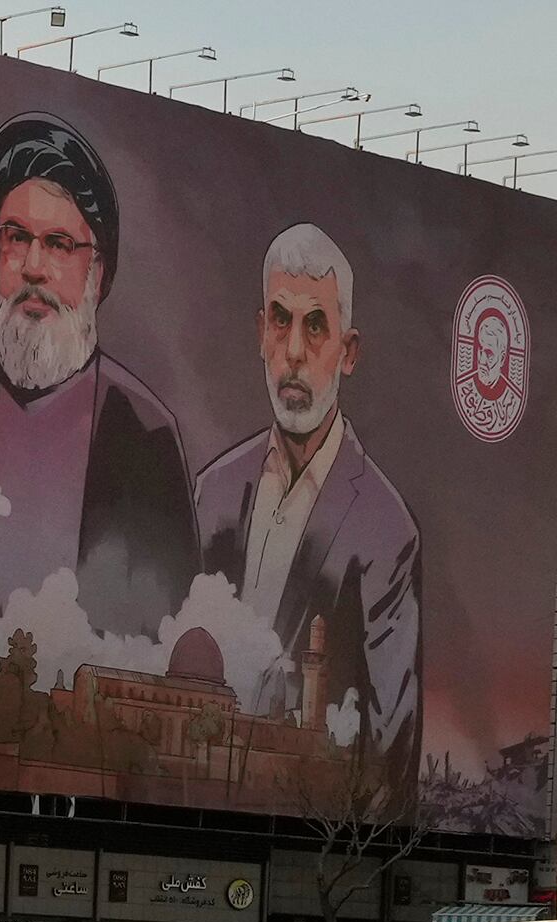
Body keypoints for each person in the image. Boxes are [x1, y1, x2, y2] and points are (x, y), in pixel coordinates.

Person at [0, 114, 196, 649]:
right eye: (16, 238)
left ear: (98, 272)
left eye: (60, 244)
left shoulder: (144, 436)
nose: (33, 267)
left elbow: (165, 649)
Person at [192, 225, 424, 823]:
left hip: (315, 851)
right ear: (260, 333)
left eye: (314, 326)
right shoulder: (213, 494)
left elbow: (390, 752)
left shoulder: (385, 531)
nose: (294, 351)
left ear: (347, 352)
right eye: (280, 319)